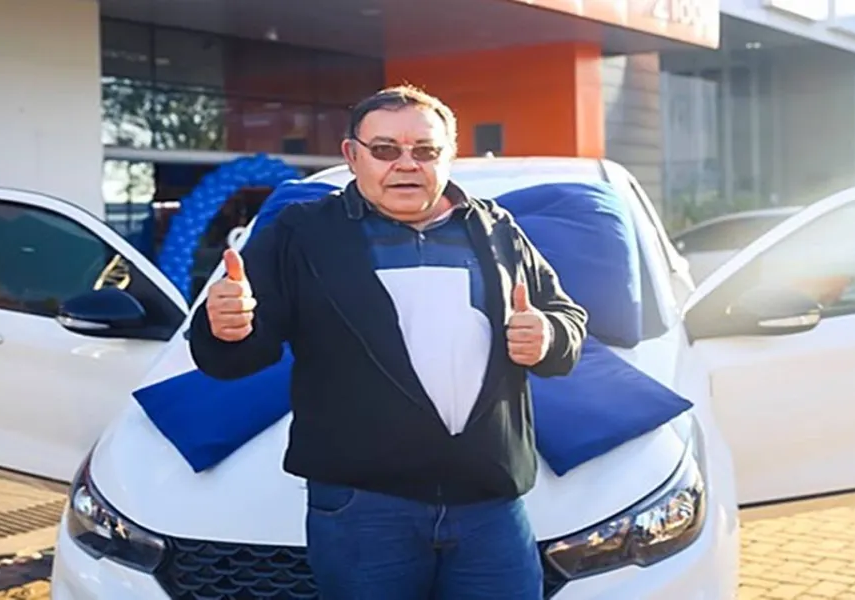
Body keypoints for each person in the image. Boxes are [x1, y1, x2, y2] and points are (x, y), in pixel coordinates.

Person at [188, 84, 588, 599]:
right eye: (384, 150)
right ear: (352, 155)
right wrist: (227, 326)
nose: (406, 164)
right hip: (365, 509)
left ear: (449, 156)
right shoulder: (303, 233)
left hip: (490, 506)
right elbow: (240, 353)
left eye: (425, 150)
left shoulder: (495, 229)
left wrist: (549, 335)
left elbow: (566, 317)